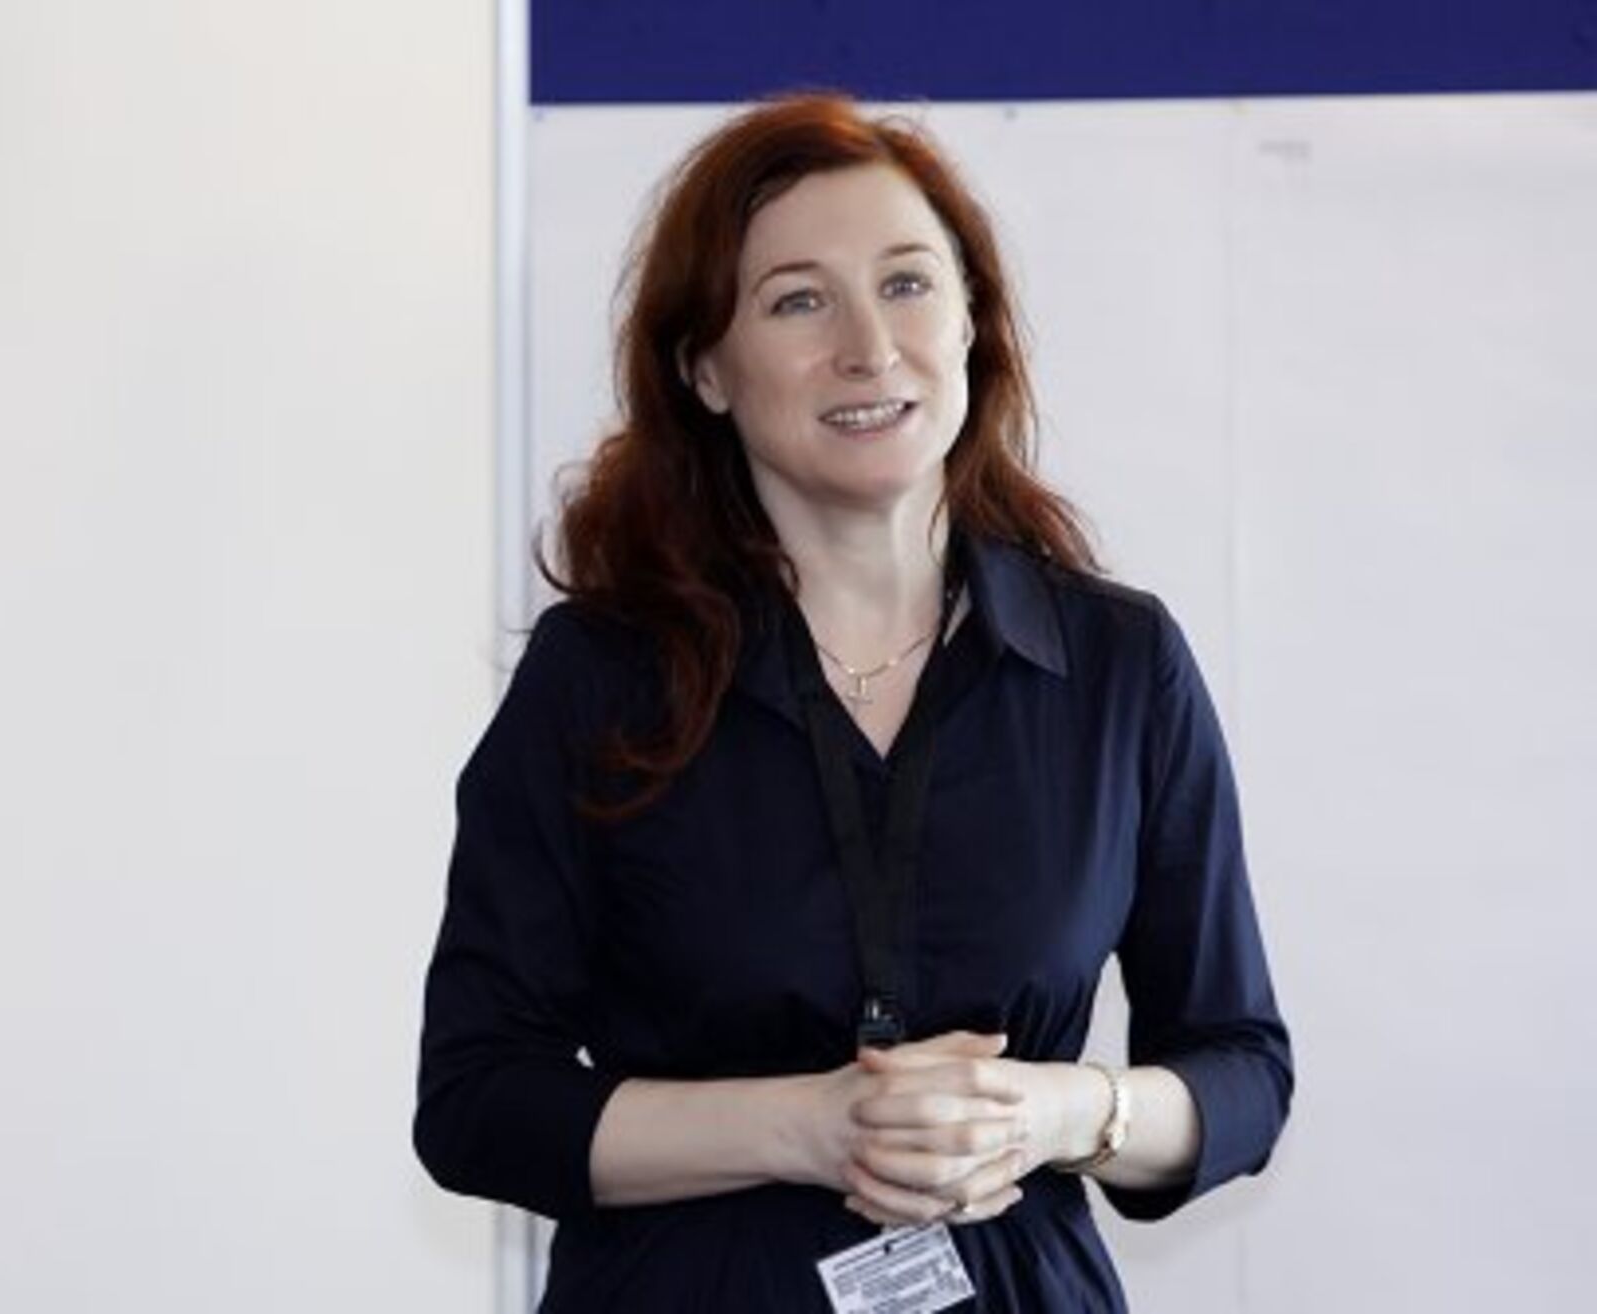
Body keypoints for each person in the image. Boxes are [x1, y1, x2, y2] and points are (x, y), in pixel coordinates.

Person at [415, 94, 1292, 1312]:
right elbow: (476, 1101)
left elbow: (1242, 1073)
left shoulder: (1118, 664)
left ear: (973, 320)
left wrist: (1054, 1112)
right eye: (797, 301)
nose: (870, 348)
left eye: (908, 283)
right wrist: (809, 1126)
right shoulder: (598, 677)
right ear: (705, 369)